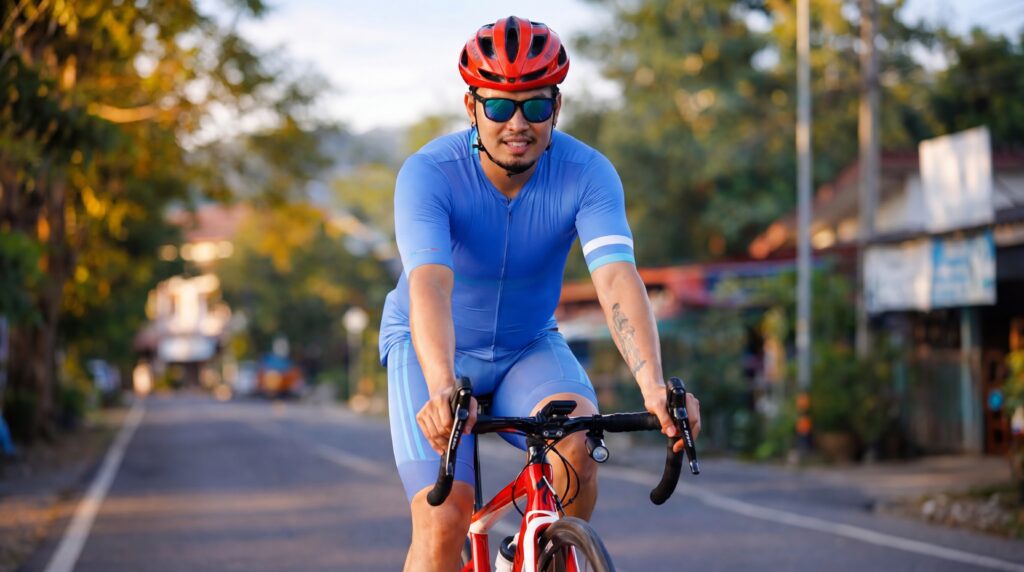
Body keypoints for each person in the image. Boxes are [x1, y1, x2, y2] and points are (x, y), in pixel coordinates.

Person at [378, 16, 701, 571]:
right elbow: (430, 281)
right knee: (444, 518)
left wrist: (653, 386)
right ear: (471, 106)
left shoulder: (588, 173)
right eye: (499, 106)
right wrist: (441, 386)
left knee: (577, 448)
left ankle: (538, 553)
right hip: (431, 349)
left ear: (557, 106)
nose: (518, 123)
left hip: (527, 346)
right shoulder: (429, 174)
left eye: (534, 105)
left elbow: (615, 277)